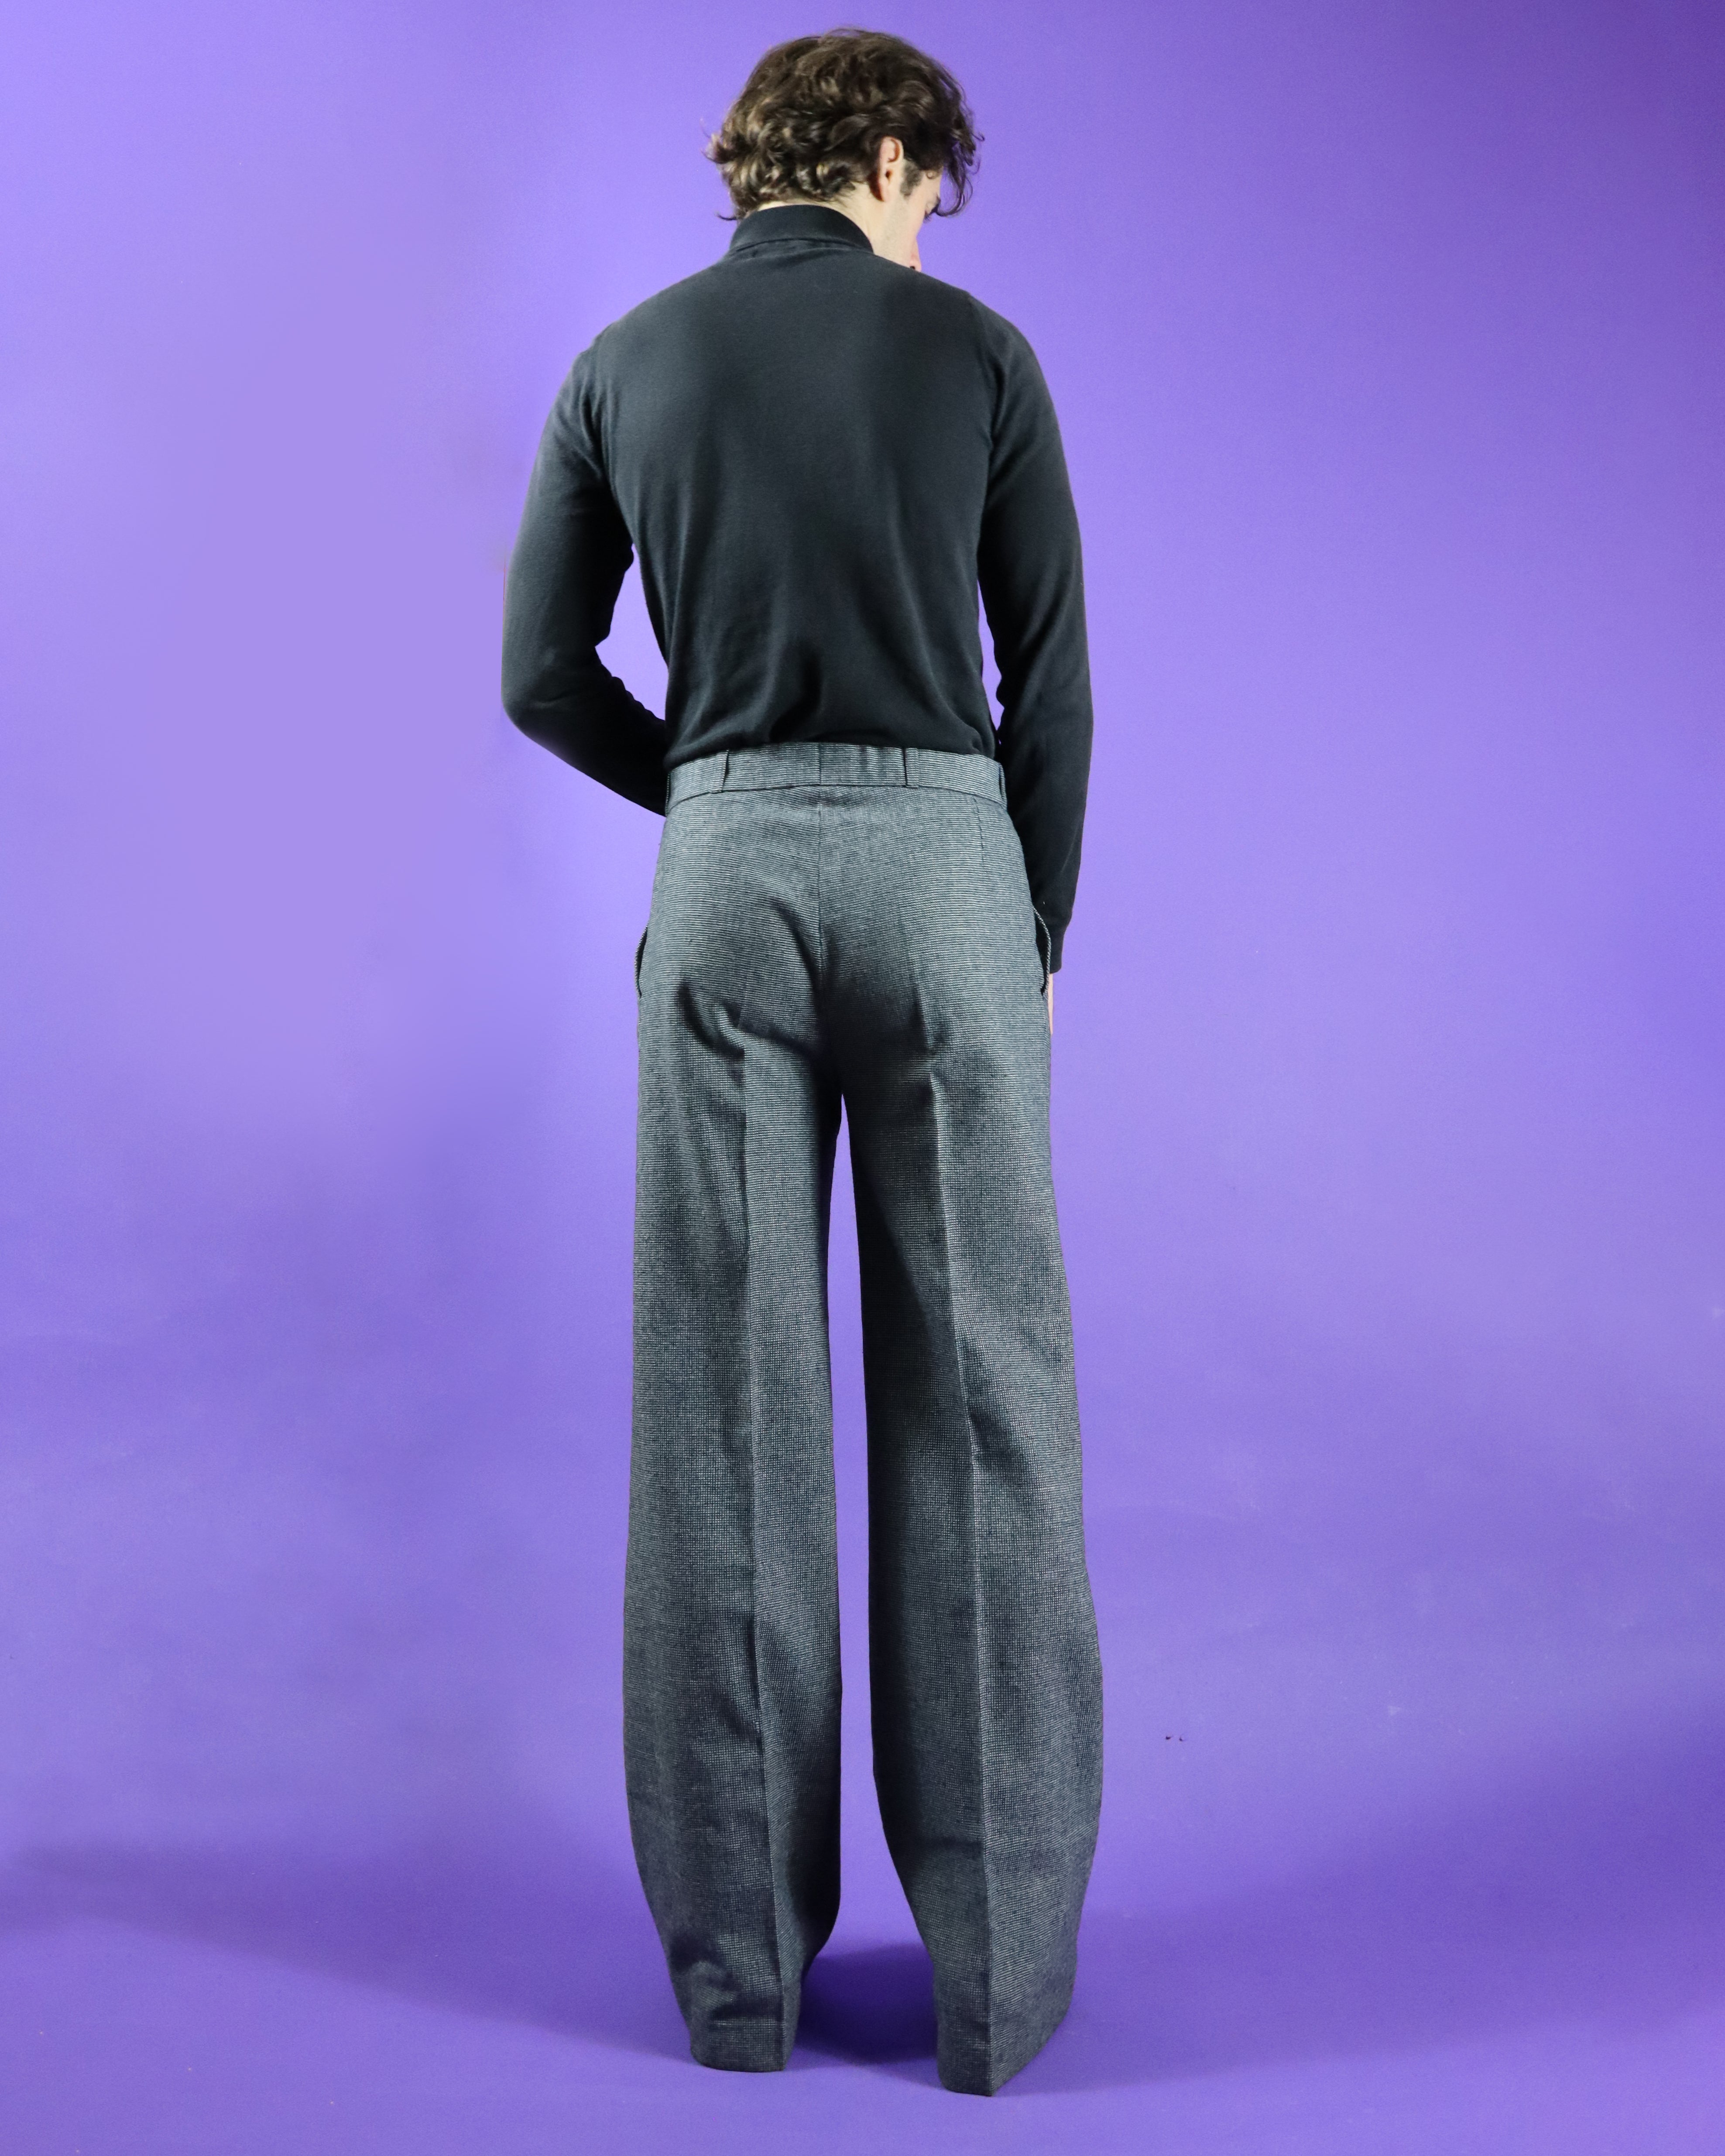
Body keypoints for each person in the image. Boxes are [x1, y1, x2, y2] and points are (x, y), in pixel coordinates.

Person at [501, 27, 1102, 2097]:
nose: (927, 237)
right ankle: (995, 1991)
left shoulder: (622, 365)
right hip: (946, 875)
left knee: (722, 1411)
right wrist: (1032, 930)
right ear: (889, 157)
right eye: (929, 199)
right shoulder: (979, 358)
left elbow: (537, 671)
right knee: (984, 1402)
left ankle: (738, 1985)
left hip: (727, 874)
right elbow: (1050, 684)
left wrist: (709, 784)